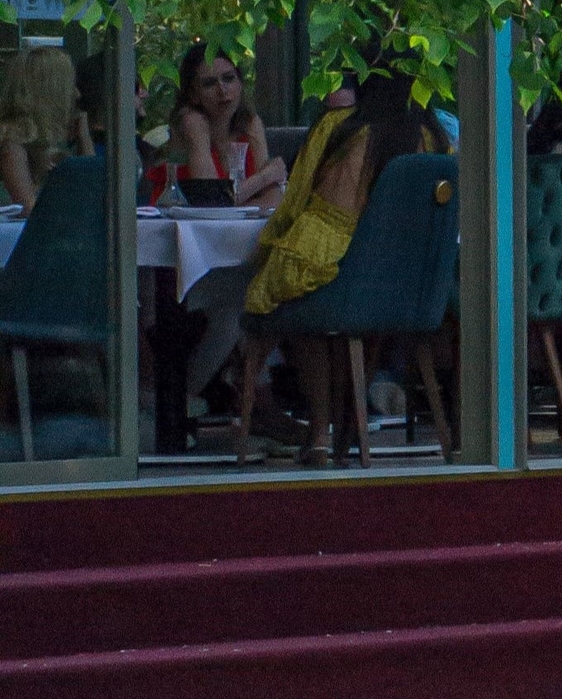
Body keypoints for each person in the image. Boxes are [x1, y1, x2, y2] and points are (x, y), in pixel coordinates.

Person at [219, 71, 454, 463]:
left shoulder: (341, 129)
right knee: (344, 310)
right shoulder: (436, 141)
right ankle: (352, 431)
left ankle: (320, 432)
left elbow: (297, 207)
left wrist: (270, 250)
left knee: (298, 294)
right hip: (407, 291)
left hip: (347, 283)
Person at [170, 43, 288, 207]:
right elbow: (211, 201)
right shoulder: (192, 122)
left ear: (240, 83)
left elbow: (273, 201)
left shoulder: (250, 123)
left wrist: (234, 203)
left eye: (229, 78)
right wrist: (264, 177)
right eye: (209, 83)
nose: (222, 90)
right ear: (193, 95)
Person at [0, 47, 94, 211]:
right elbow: (29, 208)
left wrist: (83, 137)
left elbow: (93, 188)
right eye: (68, 86)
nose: (77, 94)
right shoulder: (12, 140)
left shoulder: (50, 140)